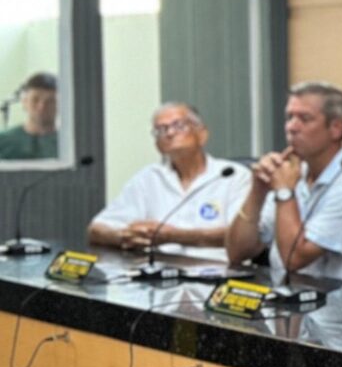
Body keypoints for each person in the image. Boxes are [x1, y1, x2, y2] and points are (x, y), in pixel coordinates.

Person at [226, 81, 342, 283]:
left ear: (336, 129)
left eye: (304, 119)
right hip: (296, 298)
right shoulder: (294, 175)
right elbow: (237, 252)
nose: (291, 127)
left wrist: (284, 193)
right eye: (289, 117)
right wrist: (258, 191)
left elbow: (294, 259)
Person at [88, 103, 250, 260]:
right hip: (160, 273)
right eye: (161, 129)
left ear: (202, 134)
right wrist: (124, 236)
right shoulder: (149, 178)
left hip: (216, 272)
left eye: (178, 126)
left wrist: (172, 236)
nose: (170, 133)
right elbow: (96, 229)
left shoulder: (233, 176)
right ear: (156, 144)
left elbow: (242, 237)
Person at [0, 72, 59, 160]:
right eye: (35, 100)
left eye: (50, 101)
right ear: (25, 102)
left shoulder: (70, 146)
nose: (41, 106)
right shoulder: (3, 141)